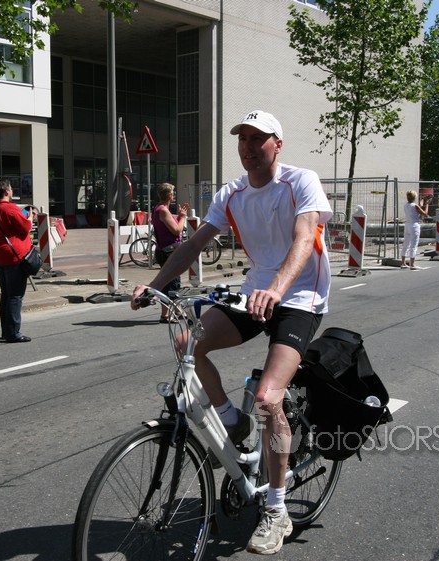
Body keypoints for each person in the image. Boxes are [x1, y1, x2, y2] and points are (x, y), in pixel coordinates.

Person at [131, 110, 333, 555]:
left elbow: (305, 238)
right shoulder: (232, 193)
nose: (248, 147)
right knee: (187, 342)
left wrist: (277, 289)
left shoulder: (301, 181)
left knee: (268, 399)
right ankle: (229, 418)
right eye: (243, 139)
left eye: (259, 139)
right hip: (254, 293)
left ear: (278, 144)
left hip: (299, 297)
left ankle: (276, 510)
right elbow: (192, 243)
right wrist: (155, 285)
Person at [0, 178, 36, 343]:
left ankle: (6, 330)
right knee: (15, 295)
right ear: (7, 191)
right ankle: (13, 333)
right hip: (13, 257)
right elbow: (25, 228)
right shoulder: (10, 208)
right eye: (11, 188)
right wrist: (30, 217)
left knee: (6, 294)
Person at [151, 182, 189, 322]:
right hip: (169, 251)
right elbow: (177, 230)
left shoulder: (159, 209)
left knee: (168, 281)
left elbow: (171, 229)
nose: (174, 195)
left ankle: (175, 311)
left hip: (165, 249)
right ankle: (166, 315)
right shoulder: (163, 211)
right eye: (173, 193)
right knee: (172, 283)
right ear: (169, 195)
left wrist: (178, 216)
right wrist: (183, 217)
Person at [400, 190, 430, 270]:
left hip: (407, 225)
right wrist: (427, 205)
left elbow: (413, 211)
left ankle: (403, 263)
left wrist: (420, 205)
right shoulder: (415, 206)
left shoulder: (406, 205)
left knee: (406, 244)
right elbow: (425, 214)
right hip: (414, 225)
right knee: (414, 245)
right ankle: (412, 264)